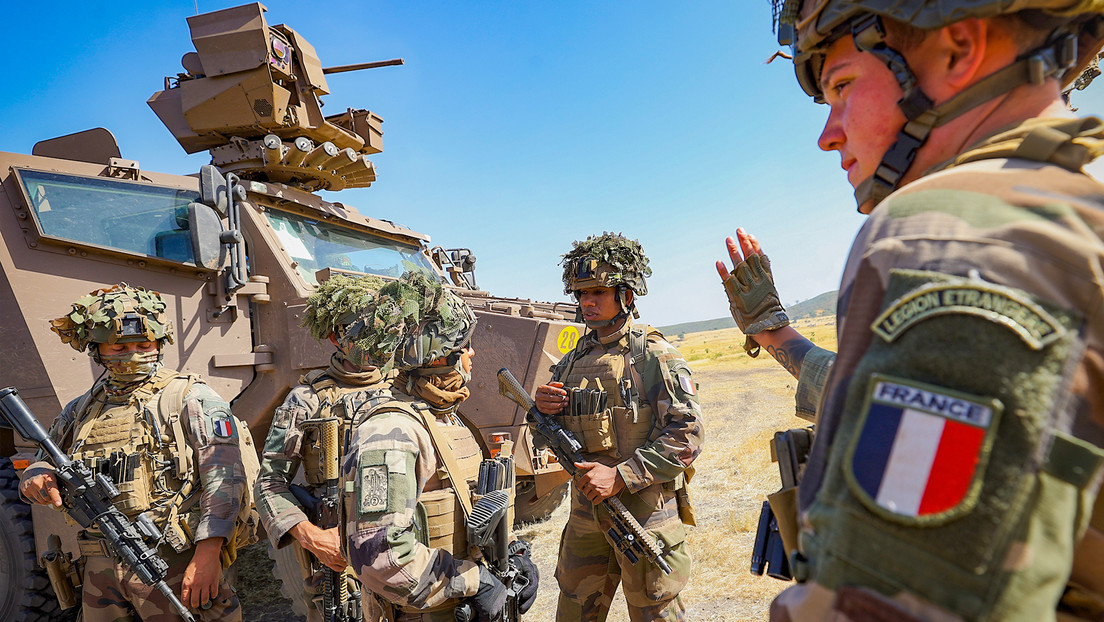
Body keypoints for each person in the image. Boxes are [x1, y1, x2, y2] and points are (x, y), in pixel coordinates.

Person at [717, 2, 1104, 620]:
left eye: (843, 85)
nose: (828, 134)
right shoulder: (1076, 203)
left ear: (959, 49)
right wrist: (777, 334)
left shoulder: (955, 228)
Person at [19, 284, 246, 621]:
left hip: (171, 561)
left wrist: (209, 553)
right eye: (120, 347)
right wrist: (36, 474)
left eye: (144, 345)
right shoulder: (81, 409)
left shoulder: (191, 398)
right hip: (100, 567)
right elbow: (44, 460)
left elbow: (225, 479)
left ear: (159, 343)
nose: (133, 355)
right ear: (96, 349)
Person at [339, 270, 539, 622]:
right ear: (436, 357)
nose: (472, 353)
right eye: (463, 346)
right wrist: (474, 581)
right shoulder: (391, 431)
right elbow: (379, 557)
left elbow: (470, 509)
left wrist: (511, 554)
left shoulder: (443, 417)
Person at [534, 233, 703, 622]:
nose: (587, 302)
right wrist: (543, 412)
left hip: (643, 515)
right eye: (581, 293)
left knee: (655, 611)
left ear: (626, 294)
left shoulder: (653, 356)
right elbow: (545, 438)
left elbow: (688, 436)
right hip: (586, 515)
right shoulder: (572, 360)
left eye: (598, 292)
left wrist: (622, 475)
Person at [255, 272, 392, 621]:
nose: (376, 343)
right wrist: (312, 537)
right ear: (336, 337)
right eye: (363, 333)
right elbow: (269, 483)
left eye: (383, 332)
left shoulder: (405, 391)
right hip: (337, 561)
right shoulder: (306, 399)